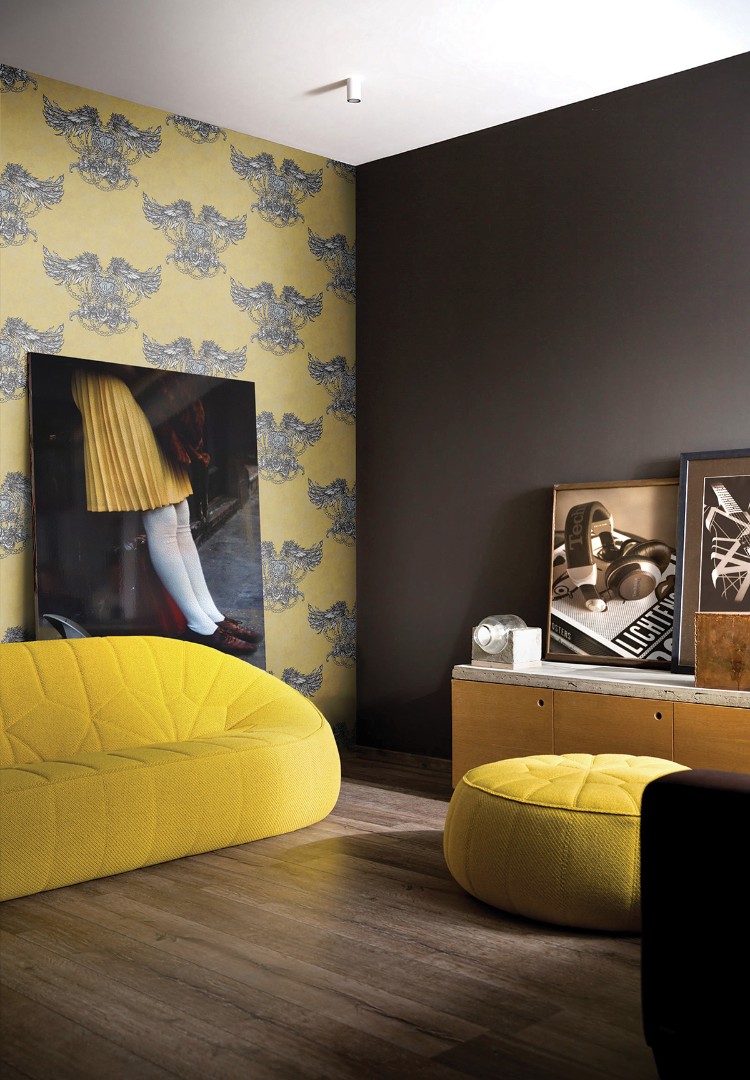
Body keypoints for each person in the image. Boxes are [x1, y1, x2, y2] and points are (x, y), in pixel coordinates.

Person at [71, 365, 262, 655]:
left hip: (139, 387)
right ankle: (200, 625)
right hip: (110, 383)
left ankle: (210, 615)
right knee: (161, 515)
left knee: (180, 513)